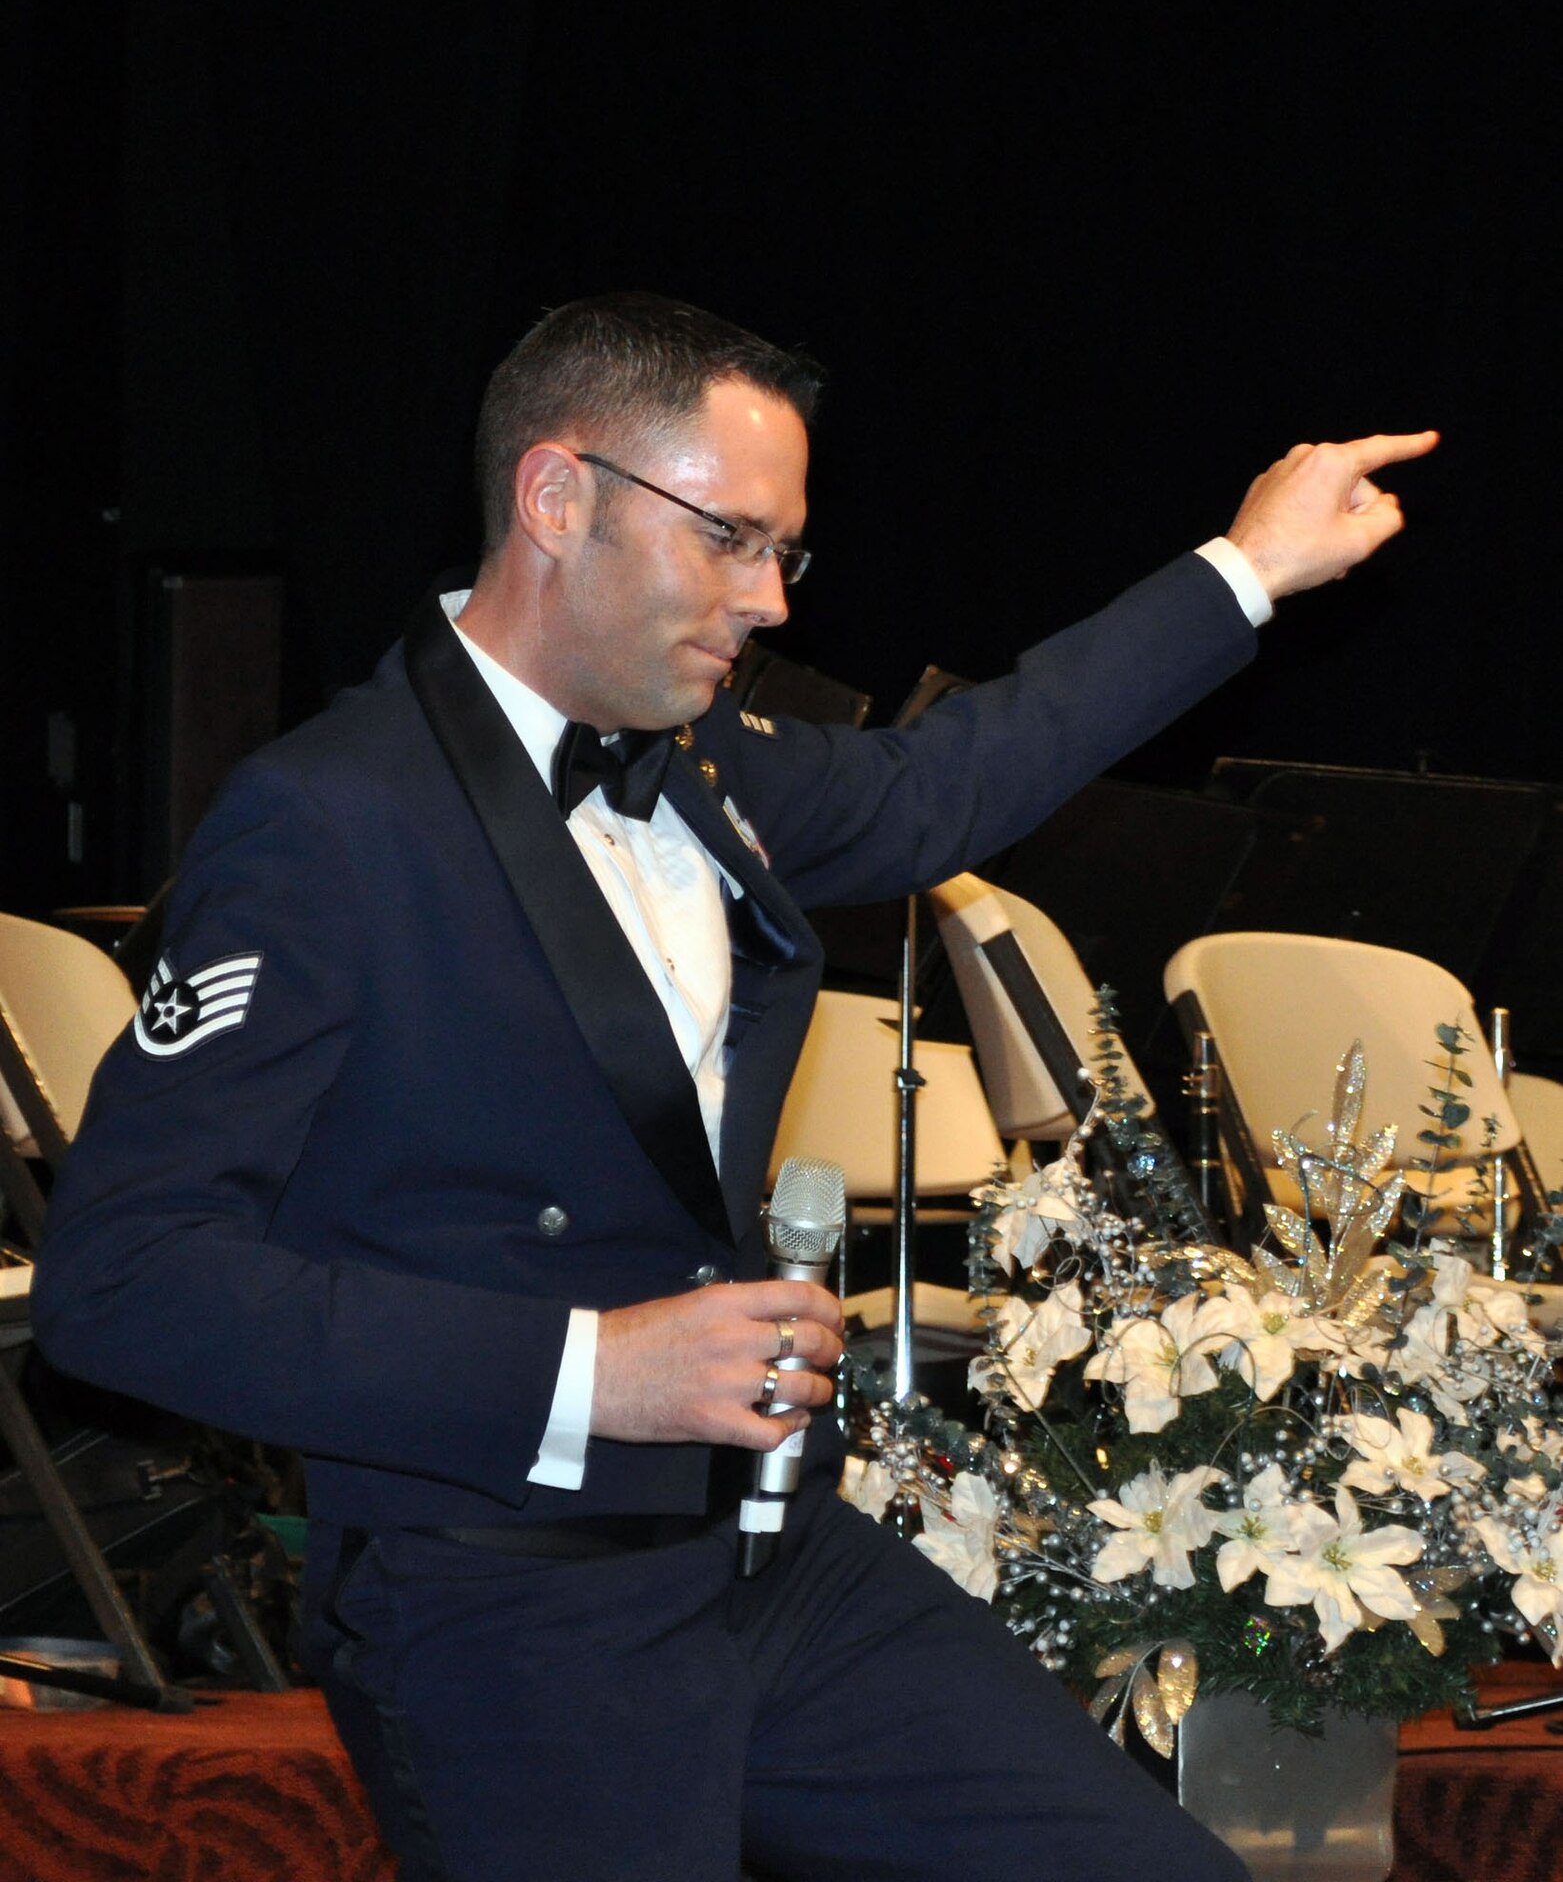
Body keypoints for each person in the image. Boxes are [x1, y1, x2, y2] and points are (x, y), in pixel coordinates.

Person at [32, 292, 1437, 1881]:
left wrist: (1246, 568)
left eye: (785, 553)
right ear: (556, 497)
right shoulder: (328, 824)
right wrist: (594, 1371)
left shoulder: (701, 756)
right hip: (506, 1600)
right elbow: (121, 1283)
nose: (768, 600)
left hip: (770, 1560)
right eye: (729, 541)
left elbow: (948, 780)